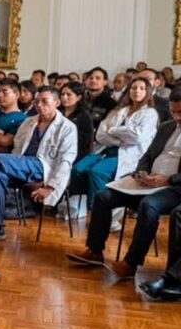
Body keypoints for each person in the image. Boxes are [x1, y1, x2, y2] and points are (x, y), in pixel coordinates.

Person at [67, 88, 181, 280]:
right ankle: (95, 251)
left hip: (174, 187)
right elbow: (147, 155)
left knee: (149, 205)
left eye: (180, 112)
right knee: (103, 197)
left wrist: (168, 179)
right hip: (149, 180)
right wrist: (142, 173)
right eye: (173, 111)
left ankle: (131, 263)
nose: (177, 117)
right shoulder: (166, 127)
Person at [0, 87, 78, 241]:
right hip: (23, 165)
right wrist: (13, 166)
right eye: (37, 101)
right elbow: (17, 148)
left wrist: (50, 187)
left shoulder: (67, 127)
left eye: (45, 101)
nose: (39, 105)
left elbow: (66, 161)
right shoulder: (29, 122)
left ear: (57, 103)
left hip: (43, 168)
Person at [70, 77, 158, 208]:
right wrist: (120, 139)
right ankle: (78, 206)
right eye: (134, 88)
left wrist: (113, 130)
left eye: (142, 88)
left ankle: (99, 208)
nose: (137, 91)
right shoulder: (120, 110)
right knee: (77, 169)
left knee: (97, 172)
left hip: (128, 154)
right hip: (107, 149)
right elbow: (100, 134)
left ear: (148, 92)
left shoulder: (150, 113)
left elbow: (137, 136)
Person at [59, 81, 94, 161]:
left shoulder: (84, 115)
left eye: (69, 95)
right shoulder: (58, 112)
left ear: (78, 97)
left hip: (76, 153)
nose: (64, 97)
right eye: (62, 94)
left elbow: (85, 141)